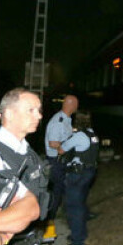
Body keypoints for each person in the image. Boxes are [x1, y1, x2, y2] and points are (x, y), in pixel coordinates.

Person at [0, 88, 49, 245]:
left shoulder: (28, 153)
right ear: (9, 113)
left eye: (39, 110)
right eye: (31, 110)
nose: (39, 115)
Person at [58, 126, 99, 245]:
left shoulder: (79, 136)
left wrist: (62, 143)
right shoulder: (92, 133)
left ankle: (77, 240)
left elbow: (61, 150)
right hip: (89, 172)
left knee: (73, 207)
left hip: (77, 174)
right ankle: (80, 232)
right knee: (80, 202)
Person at [44, 95, 78, 226]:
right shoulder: (58, 121)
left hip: (60, 161)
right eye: (76, 104)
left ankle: (60, 214)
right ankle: (50, 219)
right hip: (55, 161)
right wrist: (64, 148)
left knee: (63, 189)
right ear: (71, 105)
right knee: (56, 191)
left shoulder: (66, 119)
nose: (77, 107)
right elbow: (53, 143)